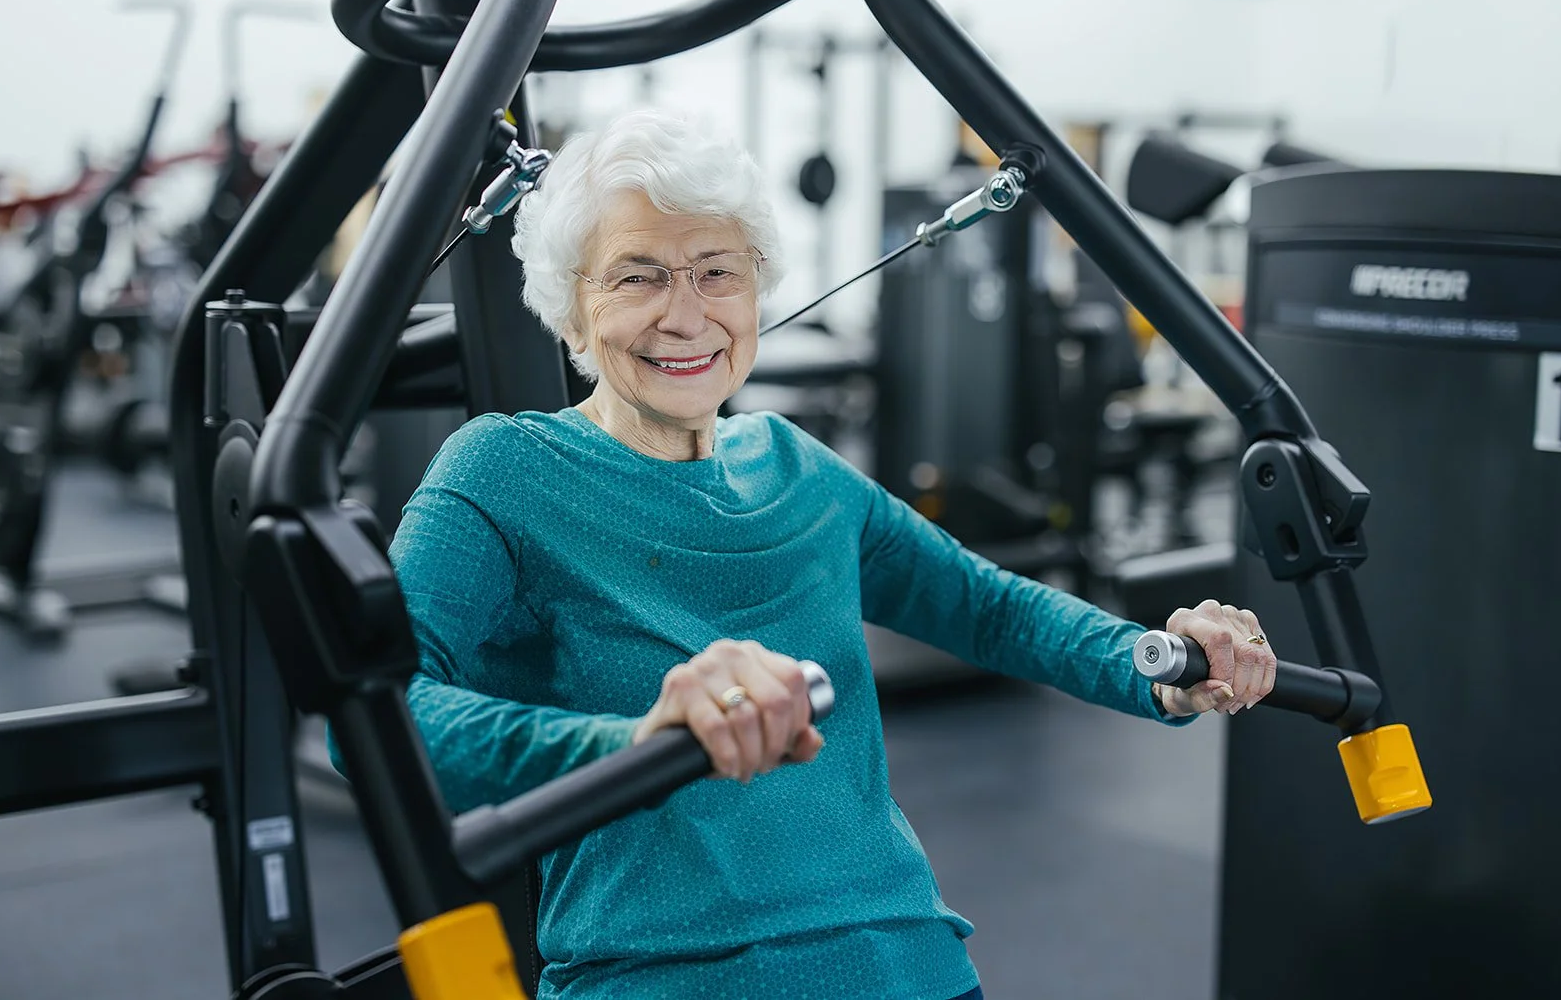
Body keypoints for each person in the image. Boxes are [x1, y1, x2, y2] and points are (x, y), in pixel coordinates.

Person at [387, 109, 1277, 999]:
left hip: (911, 961)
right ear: (571, 307)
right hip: (669, 975)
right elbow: (381, 714)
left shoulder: (797, 467)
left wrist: (1152, 664)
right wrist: (634, 743)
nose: (688, 313)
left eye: (717, 271)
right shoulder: (504, 469)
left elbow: (987, 605)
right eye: (639, 276)